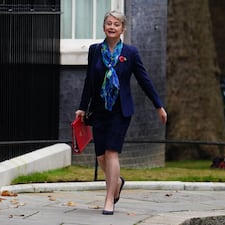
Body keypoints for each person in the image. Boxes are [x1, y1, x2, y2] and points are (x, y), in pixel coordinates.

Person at [75, 10, 167, 215]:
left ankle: (109, 199)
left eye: (116, 24)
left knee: (111, 152)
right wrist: (82, 107)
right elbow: (89, 82)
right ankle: (117, 182)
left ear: (122, 29)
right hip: (99, 110)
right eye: (109, 23)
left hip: (121, 111)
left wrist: (158, 105)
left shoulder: (131, 53)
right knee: (100, 157)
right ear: (104, 27)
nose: (112, 27)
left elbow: (144, 80)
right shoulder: (94, 51)